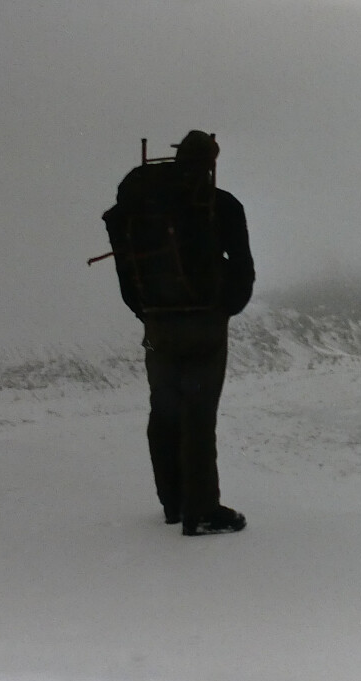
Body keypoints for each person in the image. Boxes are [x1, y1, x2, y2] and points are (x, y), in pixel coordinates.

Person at [104, 130, 255, 535]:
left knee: (164, 407)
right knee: (199, 413)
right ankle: (201, 510)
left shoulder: (135, 208)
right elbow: (243, 269)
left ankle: (172, 502)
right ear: (210, 162)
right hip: (205, 324)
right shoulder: (221, 205)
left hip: (156, 328)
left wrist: (149, 315)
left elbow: (125, 272)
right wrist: (224, 309)